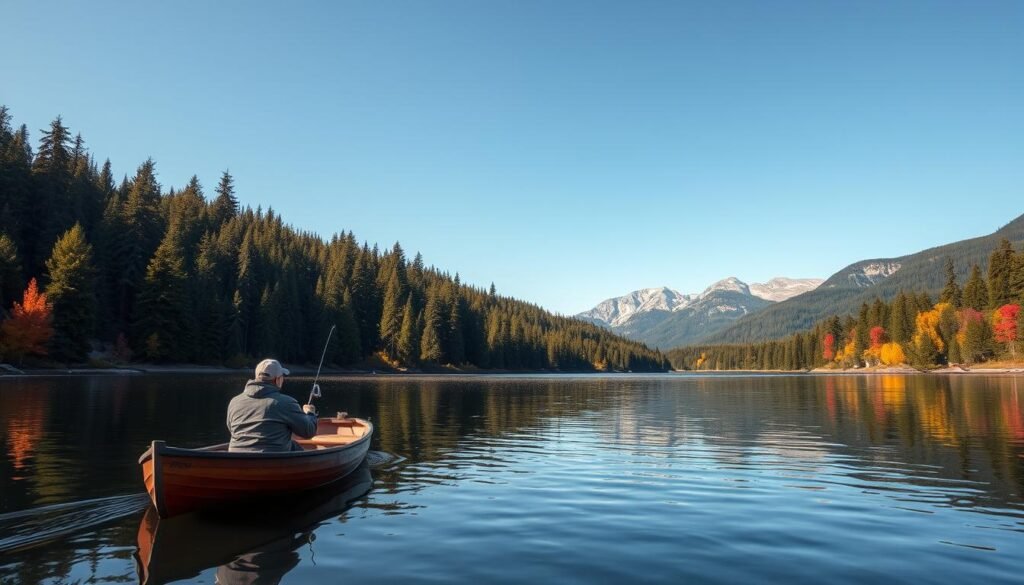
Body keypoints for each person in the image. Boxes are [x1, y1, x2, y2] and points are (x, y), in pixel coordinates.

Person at [227, 359, 318, 452]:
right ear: (277, 380)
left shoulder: (234, 402)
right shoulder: (286, 403)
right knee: (296, 447)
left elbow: (231, 429)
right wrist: (310, 414)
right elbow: (308, 432)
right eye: (282, 376)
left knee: (293, 445)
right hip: (273, 461)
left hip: (236, 459)